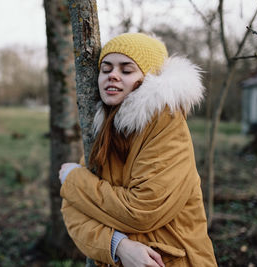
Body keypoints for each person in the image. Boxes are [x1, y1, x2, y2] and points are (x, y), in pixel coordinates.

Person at [58, 33, 217, 267]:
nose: (113, 75)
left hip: (172, 260)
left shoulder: (167, 123)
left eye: (126, 70)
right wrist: (118, 245)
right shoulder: (105, 128)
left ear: (149, 78)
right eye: (106, 68)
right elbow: (72, 208)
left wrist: (73, 179)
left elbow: (141, 210)